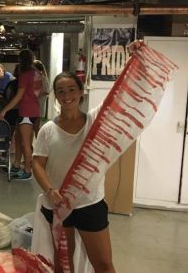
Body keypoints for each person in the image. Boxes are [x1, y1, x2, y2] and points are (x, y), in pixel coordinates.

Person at [31, 40, 143, 273]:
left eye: (71, 89)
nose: (66, 95)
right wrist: (50, 190)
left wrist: (134, 59)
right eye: (60, 91)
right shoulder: (47, 130)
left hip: (90, 204)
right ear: (55, 96)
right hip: (59, 206)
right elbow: (38, 164)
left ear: (81, 92)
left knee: (103, 264)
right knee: (63, 264)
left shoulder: (94, 121)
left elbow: (120, 94)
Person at [0, 50, 40, 180]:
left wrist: (4, 110)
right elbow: (39, 93)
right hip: (34, 110)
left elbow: (18, 96)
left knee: (25, 143)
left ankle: (27, 170)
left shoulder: (25, 75)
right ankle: (16, 164)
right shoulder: (37, 74)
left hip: (26, 111)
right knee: (19, 139)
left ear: (21, 60)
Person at [32, 60, 50, 136]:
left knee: (36, 126)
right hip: (33, 103)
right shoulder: (35, 78)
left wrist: (37, 95)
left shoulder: (43, 78)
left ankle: (39, 141)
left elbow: (47, 91)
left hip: (39, 103)